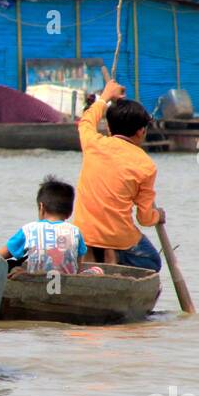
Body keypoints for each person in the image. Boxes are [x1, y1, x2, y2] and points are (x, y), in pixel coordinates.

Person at [72, 79, 164, 272]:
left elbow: (87, 121)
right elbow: (145, 218)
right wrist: (158, 216)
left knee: (95, 242)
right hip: (118, 238)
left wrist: (105, 96)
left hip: (84, 233)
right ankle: (111, 259)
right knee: (152, 262)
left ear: (109, 128)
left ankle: (101, 260)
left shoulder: (93, 143)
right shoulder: (146, 165)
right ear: (141, 131)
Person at [0, 175, 88, 275]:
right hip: (67, 283)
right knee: (97, 270)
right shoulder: (75, 231)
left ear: (41, 207)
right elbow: (78, 267)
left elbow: (0, 255)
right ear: (70, 212)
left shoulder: (29, 229)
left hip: (34, 281)